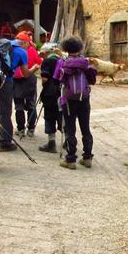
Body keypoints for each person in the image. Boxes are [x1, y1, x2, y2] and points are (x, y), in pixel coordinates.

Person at [53, 36, 97, 169]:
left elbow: (56, 80)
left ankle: (70, 160)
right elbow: (92, 80)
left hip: (69, 99)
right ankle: (87, 157)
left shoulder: (62, 62)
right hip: (84, 98)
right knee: (85, 128)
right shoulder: (85, 62)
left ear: (65, 48)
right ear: (79, 47)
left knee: (70, 129)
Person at [0, 32, 32, 151]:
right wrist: (34, 69)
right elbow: (25, 73)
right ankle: (5, 142)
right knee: (4, 112)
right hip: (6, 81)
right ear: (24, 42)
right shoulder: (21, 52)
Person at [13, 31, 41, 138]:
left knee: (19, 105)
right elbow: (39, 61)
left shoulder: (14, 51)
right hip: (29, 78)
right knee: (31, 104)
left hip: (17, 80)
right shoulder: (32, 50)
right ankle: (31, 129)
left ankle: (20, 129)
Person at [38, 44, 61, 152]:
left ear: (45, 53)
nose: (42, 57)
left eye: (42, 54)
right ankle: (67, 141)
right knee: (61, 116)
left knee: (50, 117)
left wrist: (44, 87)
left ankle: (51, 143)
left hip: (50, 94)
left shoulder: (47, 61)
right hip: (62, 92)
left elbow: (45, 78)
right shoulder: (61, 60)